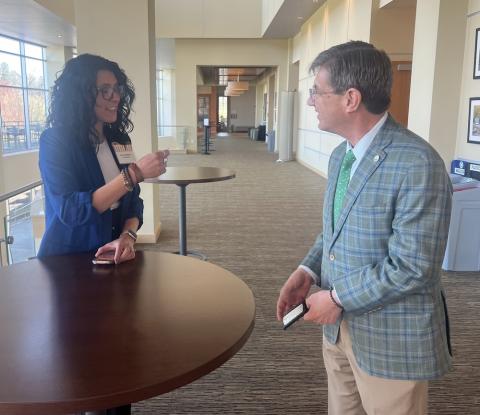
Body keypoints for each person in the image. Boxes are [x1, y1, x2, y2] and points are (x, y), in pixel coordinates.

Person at [276, 41, 452, 415]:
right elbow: (333, 231)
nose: (310, 101)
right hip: (338, 330)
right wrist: (308, 270)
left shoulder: (418, 164)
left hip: (390, 339)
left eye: (317, 92)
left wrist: (337, 298)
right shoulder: (342, 154)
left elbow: (413, 267)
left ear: (350, 99)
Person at [38, 53, 168, 264]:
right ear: (80, 95)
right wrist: (134, 174)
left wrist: (128, 236)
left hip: (112, 258)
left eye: (117, 89)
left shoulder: (119, 139)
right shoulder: (55, 142)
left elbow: (133, 201)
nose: (115, 97)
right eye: (104, 90)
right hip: (67, 263)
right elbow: (71, 211)